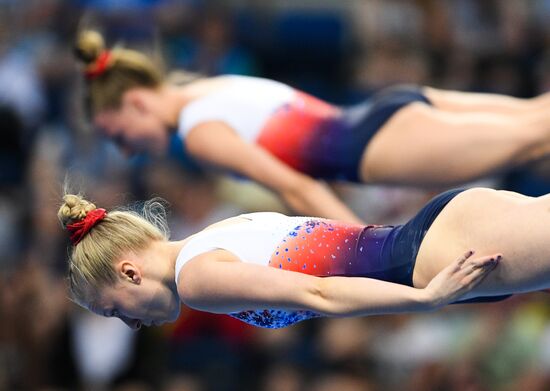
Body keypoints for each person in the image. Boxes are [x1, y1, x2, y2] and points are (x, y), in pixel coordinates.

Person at [74, 31, 550, 224]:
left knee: (537, 137)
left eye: (118, 136)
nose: (126, 152)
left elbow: (296, 186)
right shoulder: (207, 87)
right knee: (538, 117)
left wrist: (373, 252)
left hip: (374, 148)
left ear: (136, 102)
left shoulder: (199, 131)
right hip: (389, 112)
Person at [62, 185, 550, 330]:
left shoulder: (196, 279)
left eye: (114, 309)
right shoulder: (214, 235)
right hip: (441, 228)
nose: (128, 323)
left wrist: (426, 299)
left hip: (435, 254)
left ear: (129, 271)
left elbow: (317, 291)